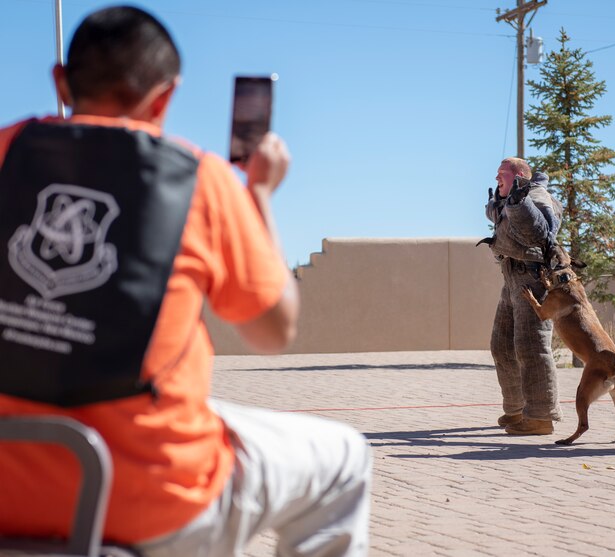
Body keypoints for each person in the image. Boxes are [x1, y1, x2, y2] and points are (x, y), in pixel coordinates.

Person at [0, 6, 371, 556]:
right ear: (165, 97)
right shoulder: (200, 179)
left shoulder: (7, 151)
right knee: (344, 459)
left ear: (60, 80)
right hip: (149, 498)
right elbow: (273, 332)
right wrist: (260, 194)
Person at [482, 157, 563, 435]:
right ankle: (517, 410)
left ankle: (540, 417)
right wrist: (500, 204)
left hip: (532, 278)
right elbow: (500, 217)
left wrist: (519, 203)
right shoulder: (512, 198)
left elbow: (543, 233)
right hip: (512, 277)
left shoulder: (538, 197)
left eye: (501, 174)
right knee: (502, 345)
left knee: (532, 346)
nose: (496, 179)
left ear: (518, 176)